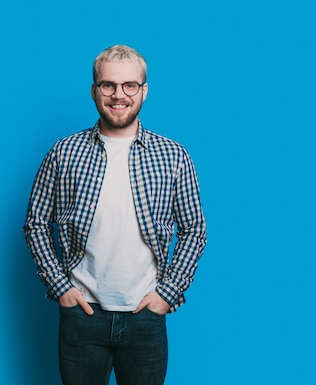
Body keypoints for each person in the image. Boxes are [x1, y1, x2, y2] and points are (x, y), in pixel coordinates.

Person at [23, 44, 207, 385]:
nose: (118, 95)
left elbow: (194, 229)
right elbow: (35, 223)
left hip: (145, 318)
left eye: (129, 86)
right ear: (94, 91)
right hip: (82, 317)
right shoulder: (64, 153)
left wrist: (168, 294)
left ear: (144, 91)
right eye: (108, 85)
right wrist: (60, 287)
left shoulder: (173, 156)